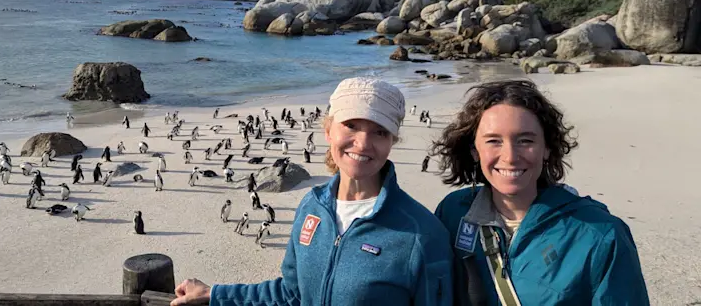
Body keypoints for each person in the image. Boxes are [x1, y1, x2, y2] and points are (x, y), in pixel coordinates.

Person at [171, 77, 453, 306]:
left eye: (379, 131)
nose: (363, 143)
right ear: (328, 131)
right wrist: (215, 294)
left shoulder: (422, 235)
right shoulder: (312, 206)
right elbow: (292, 294)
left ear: (392, 141)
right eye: (351, 125)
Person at [431, 80, 649, 305]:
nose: (510, 157)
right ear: (474, 150)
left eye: (525, 141)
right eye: (494, 141)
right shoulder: (453, 212)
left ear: (547, 148)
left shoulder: (601, 235)